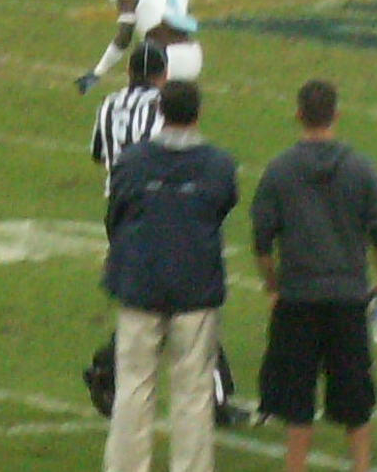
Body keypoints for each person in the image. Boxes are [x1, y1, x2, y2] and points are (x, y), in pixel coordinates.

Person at [254, 79, 377, 472]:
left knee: (296, 403)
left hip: (297, 297)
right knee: (356, 401)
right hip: (348, 296)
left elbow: (262, 241)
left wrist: (272, 285)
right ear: (336, 115)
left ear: (298, 114)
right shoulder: (361, 168)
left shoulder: (279, 169)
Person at [101, 79, 237, 472]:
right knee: (193, 391)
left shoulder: (133, 161)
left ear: (160, 111)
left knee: (133, 386)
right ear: (198, 113)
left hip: (140, 285)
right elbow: (221, 209)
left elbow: (115, 217)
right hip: (195, 288)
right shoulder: (218, 164)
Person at [91, 43, 171, 193]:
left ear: (128, 71)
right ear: (165, 75)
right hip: (151, 194)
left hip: (117, 193)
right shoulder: (163, 105)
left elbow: (97, 154)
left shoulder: (108, 103)